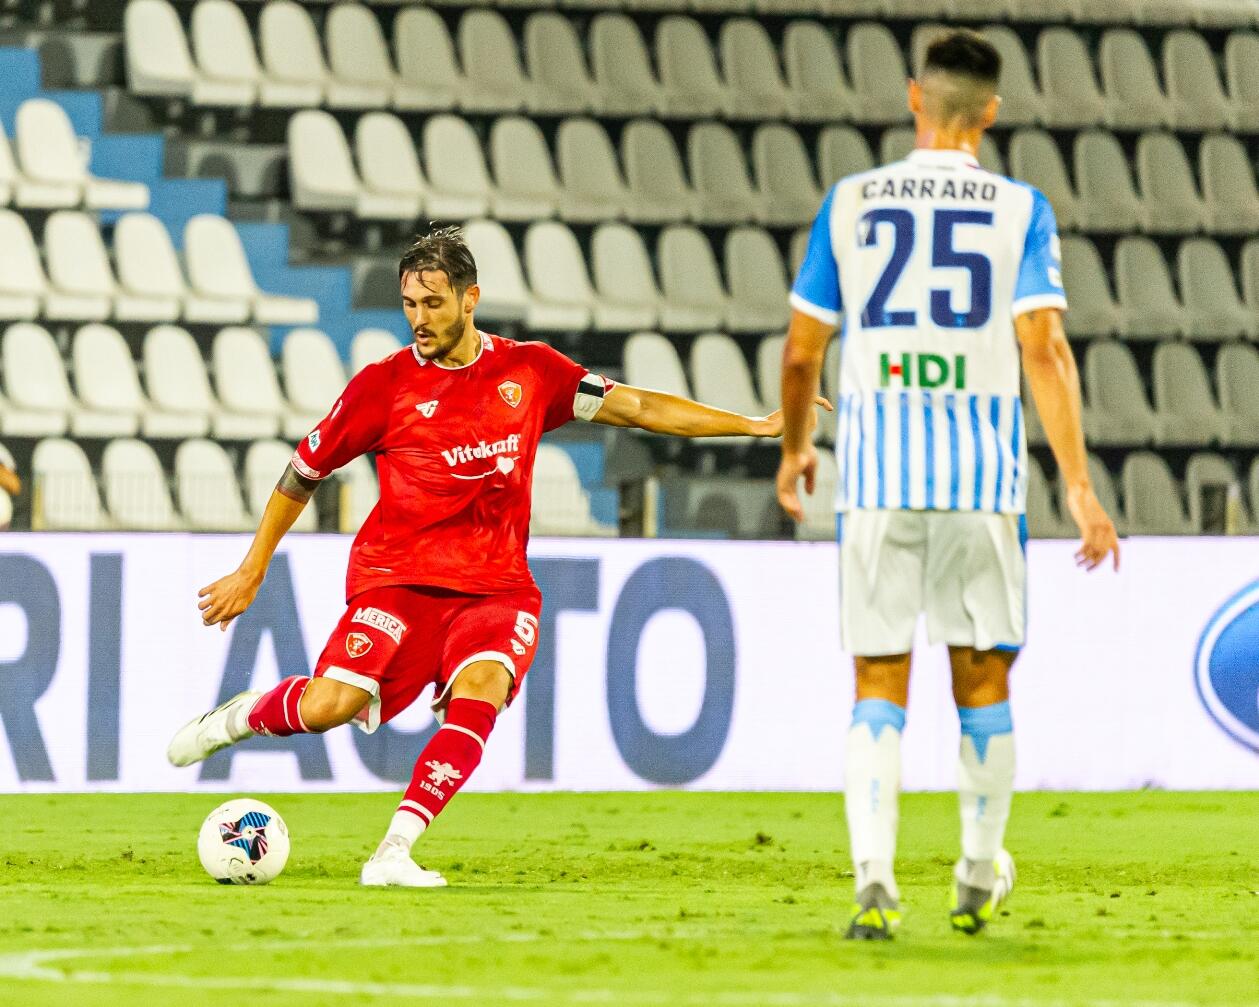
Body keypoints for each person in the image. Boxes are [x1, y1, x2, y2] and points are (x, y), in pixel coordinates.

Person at [169, 225, 827, 888]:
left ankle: (393, 850)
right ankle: (236, 717)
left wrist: (750, 424)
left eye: (432, 303)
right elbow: (301, 472)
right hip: (397, 580)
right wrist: (253, 566)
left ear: (469, 298)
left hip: (495, 587)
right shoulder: (383, 387)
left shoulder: (531, 372)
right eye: (408, 305)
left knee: (481, 688)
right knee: (330, 705)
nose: (418, 319)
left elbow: (638, 405)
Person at [775, 30, 1119, 939]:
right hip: (979, 484)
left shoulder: (851, 201)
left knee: (877, 680)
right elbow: (1043, 348)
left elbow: (802, 347)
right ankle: (974, 872)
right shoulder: (1020, 209)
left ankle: (874, 881)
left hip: (878, 480)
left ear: (912, 99)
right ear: (991, 114)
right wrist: (1079, 488)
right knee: (983, 683)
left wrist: (796, 447)